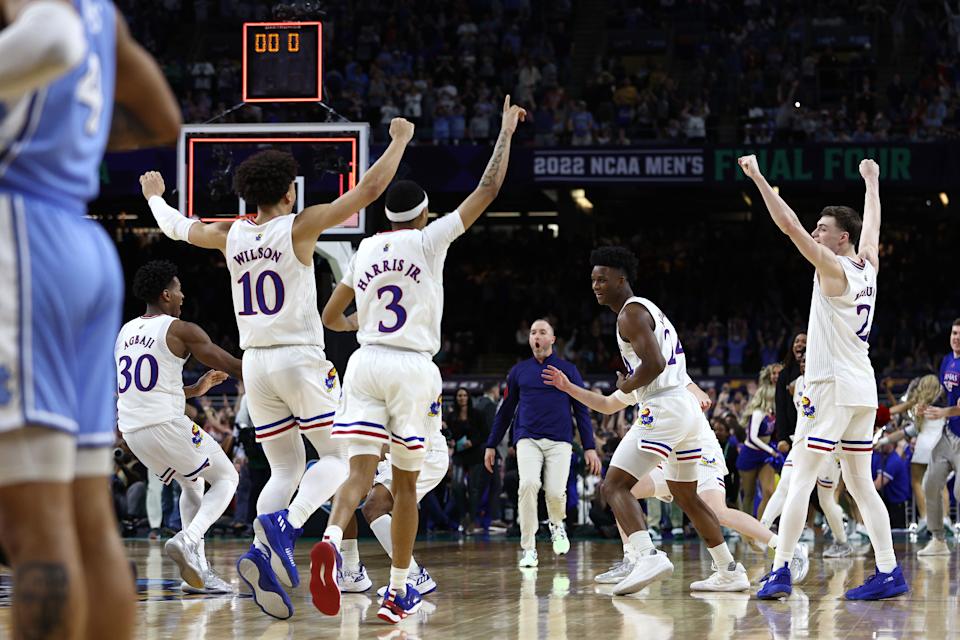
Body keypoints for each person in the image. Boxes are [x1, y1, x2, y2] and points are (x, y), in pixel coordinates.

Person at [139, 117, 415, 620]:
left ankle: (261, 553)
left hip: (256, 366)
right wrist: (399, 140)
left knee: (285, 466)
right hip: (299, 356)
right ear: (289, 193)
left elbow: (177, 228)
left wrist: (156, 196)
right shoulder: (301, 225)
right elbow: (371, 189)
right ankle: (285, 526)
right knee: (342, 457)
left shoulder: (230, 234)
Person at [309, 96, 527, 624]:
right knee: (406, 482)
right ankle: (399, 589)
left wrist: (362, 322)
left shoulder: (363, 251)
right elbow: (488, 189)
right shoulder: (430, 240)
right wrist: (504, 130)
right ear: (424, 213)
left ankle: (333, 540)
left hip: (364, 364)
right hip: (410, 366)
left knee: (359, 472)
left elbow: (330, 316)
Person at [0, 1, 180, 638]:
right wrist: (67, 132)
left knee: (34, 528)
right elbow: (163, 117)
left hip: (20, 239)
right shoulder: (102, 12)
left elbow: (49, 34)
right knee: (87, 519)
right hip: (79, 247)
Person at [740, 154, 908, 600]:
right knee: (857, 484)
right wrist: (871, 180)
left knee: (801, 478)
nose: (815, 232)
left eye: (823, 228)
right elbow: (873, 224)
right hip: (861, 389)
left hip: (829, 386)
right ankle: (889, 571)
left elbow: (789, 225)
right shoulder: (867, 266)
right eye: (816, 227)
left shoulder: (832, 269)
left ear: (841, 237)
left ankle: (779, 570)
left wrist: (758, 177)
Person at [546, 246, 750, 595]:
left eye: (602, 279)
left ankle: (646, 554)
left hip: (664, 407)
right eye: (592, 279)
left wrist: (628, 382)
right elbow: (620, 396)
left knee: (612, 486)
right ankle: (728, 569)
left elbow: (653, 365)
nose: (595, 285)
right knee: (687, 497)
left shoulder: (630, 314)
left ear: (621, 278)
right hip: (682, 409)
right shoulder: (649, 311)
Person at [543, 369, 809, 586]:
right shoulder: (640, 384)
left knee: (717, 512)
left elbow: (697, 391)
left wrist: (700, 395)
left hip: (699, 449)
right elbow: (606, 404)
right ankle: (632, 560)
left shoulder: (671, 374)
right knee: (622, 490)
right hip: (669, 457)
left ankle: (788, 549)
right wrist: (568, 387)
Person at [116, 260, 243, 593]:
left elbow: (141, 388)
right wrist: (265, 373)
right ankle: (188, 538)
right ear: (166, 294)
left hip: (133, 431)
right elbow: (224, 360)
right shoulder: (180, 329)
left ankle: (198, 573)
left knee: (193, 485)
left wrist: (195, 391)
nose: (183, 295)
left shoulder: (125, 332)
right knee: (228, 477)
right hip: (165, 424)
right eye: (179, 289)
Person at [482, 319, 603, 568]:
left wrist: (590, 447)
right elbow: (506, 410)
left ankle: (557, 525)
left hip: (560, 441)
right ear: (529, 340)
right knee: (527, 484)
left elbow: (581, 410)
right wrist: (491, 444)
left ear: (552, 339)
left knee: (556, 492)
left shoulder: (568, 369)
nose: (537, 335)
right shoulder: (518, 371)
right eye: (533, 332)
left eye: (542, 332)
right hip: (527, 438)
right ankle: (529, 548)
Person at [761, 352, 852, 558]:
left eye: (808, 361)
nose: (803, 364)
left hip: (828, 449)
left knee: (826, 500)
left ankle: (842, 541)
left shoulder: (832, 385)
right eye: (802, 362)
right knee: (785, 485)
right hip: (802, 444)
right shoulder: (797, 384)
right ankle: (762, 530)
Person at [916, 318, 960, 555]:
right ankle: (939, 541)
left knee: (958, 492)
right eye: (954, 333)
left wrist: (943, 412)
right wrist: (927, 405)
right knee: (930, 484)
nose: (956, 337)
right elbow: (944, 392)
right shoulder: (947, 361)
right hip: (948, 434)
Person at [736, 365, 781, 519]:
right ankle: (745, 530)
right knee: (749, 494)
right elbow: (752, 438)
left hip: (765, 455)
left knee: (769, 492)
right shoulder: (758, 413)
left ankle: (762, 527)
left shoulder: (774, 412)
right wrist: (771, 450)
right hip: (750, 454)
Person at [448, 387, 492, 533]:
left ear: (468, 397)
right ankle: (463, 515)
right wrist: (452, 442)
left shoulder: (477, 414)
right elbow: (448, 434)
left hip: (475, 454)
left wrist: (472, 442)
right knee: (456, 485)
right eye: (459, 395)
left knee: (473, 489)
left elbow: (485, 433)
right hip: (459, 455)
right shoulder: (451, 415)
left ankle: (472, 520)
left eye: (464, 395)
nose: (462, 398)